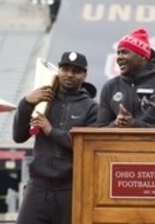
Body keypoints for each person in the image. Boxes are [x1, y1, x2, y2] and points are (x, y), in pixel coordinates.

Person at [13, 51, 98, 224]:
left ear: (84, 75)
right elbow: (18, 137)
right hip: (37, 187)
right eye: (65, 69)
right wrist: (26, 103)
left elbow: (88, 148)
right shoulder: (43, 98)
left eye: (76, 71)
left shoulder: (91, 108)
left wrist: (51, 131)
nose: (69, 75)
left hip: (71, 190)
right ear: (58, 70)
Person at [96, 28, 155, 128]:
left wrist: (135, 125)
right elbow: (100, 128)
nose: (119, 57)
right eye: (118, 53)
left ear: (142, 56)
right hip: (118, 143)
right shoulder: (110, 87)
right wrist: (117, 124)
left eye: (124, 52)